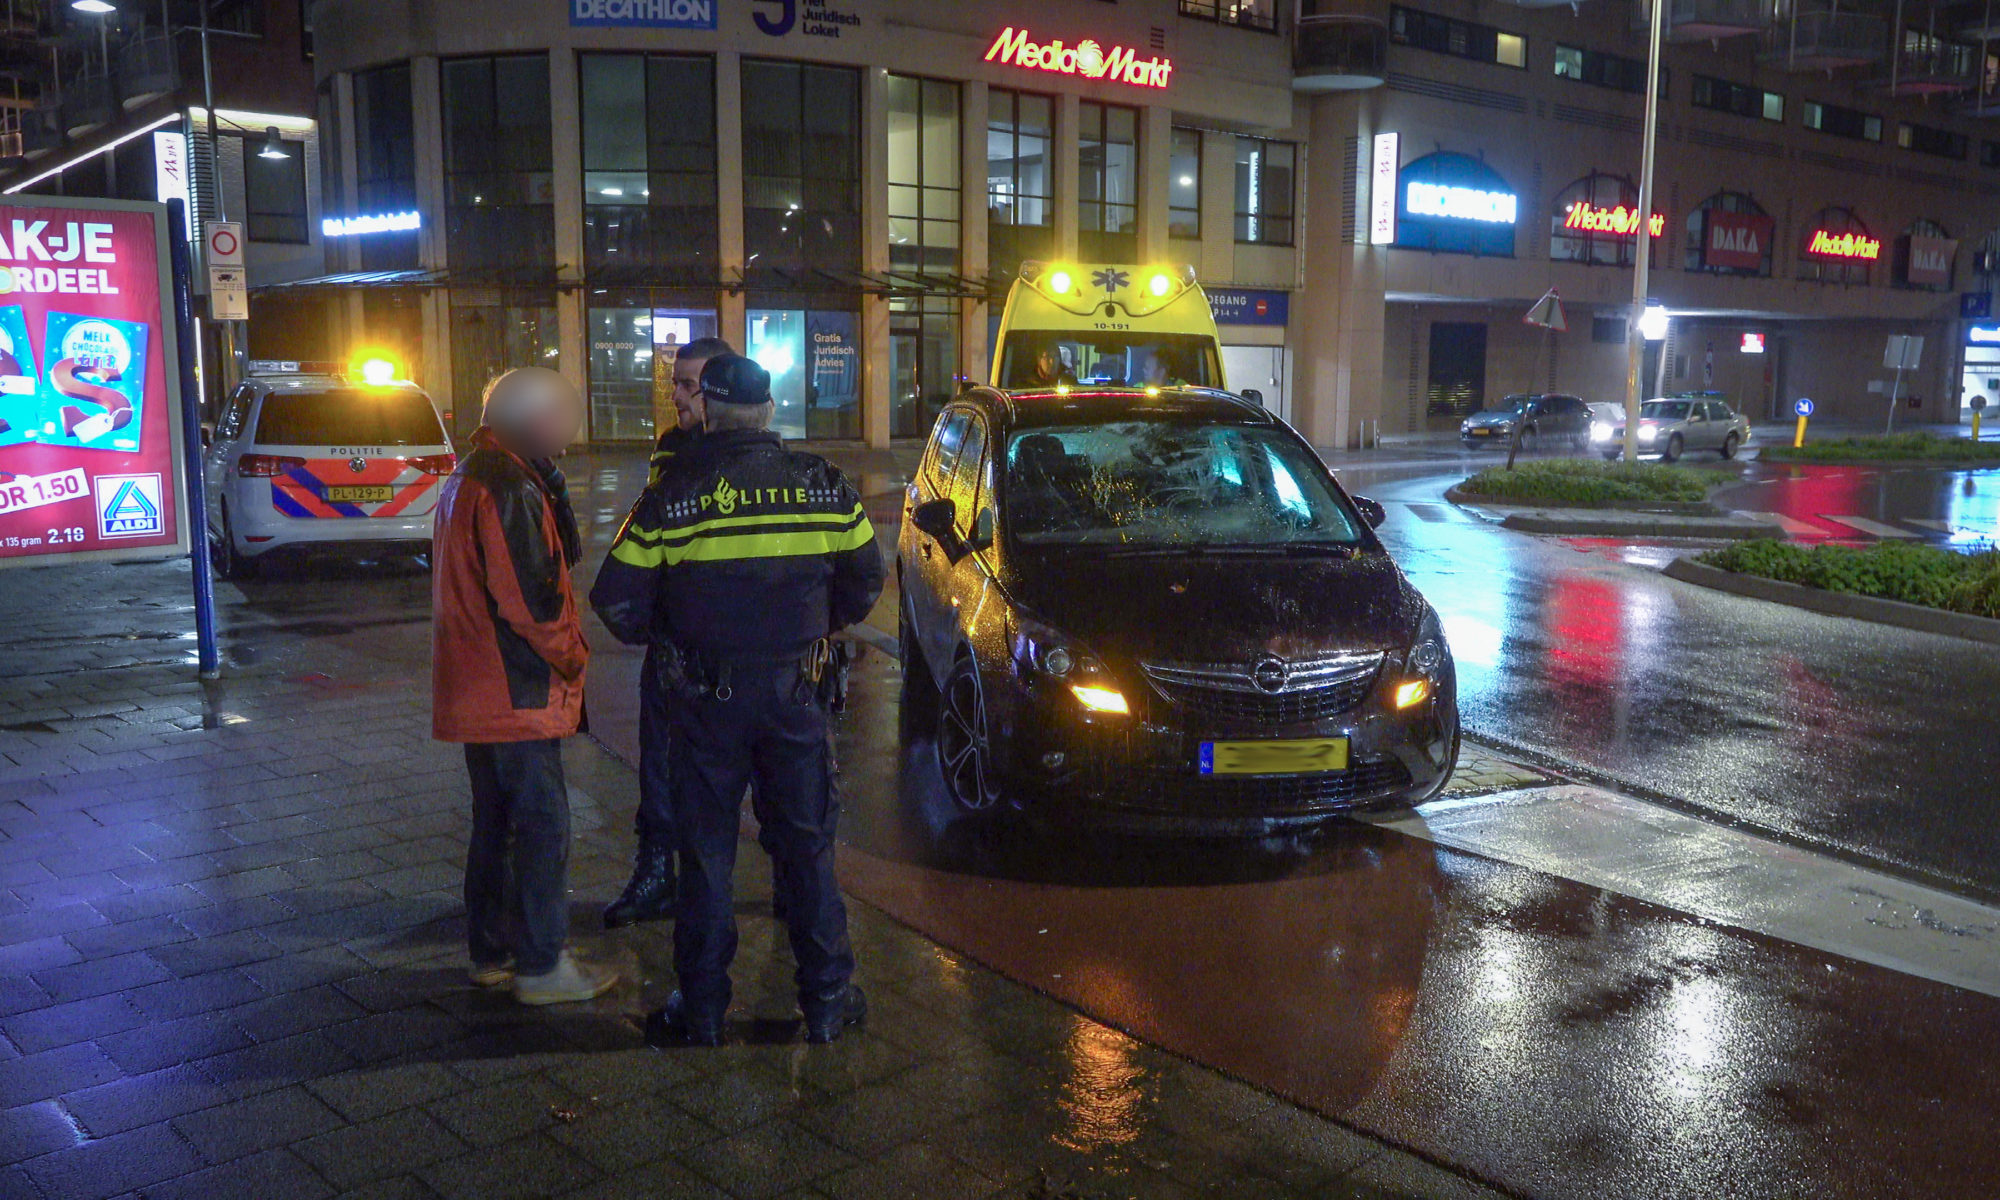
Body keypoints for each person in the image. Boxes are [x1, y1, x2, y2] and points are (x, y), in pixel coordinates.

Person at [591, 353, 883, 1045]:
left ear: (711, 412)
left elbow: (617, 599)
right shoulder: (822, 482)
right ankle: (829, 1001)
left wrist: (671, 633)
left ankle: (700, 1012)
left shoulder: (676, 492)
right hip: (796, 693)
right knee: (809, 847)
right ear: (769, 411)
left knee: (707, 853)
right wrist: (814, 624)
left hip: (705, 698)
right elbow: (866, 578)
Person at [432, 367, 617, 1006]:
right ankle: (541, 966)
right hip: (515, 689)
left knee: (498, 823)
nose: (572, 432)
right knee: (541, 825)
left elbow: (557, 556)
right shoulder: (506, 485)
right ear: (535, 419)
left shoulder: (481, 473)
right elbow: (532, 601)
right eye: (563, 418)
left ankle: (494, 950)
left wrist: (553, 481)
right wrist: (574, 659)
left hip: (479, 684)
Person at [604, 336, 735, 930]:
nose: (676, 396)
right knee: (658, 766)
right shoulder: (669, 449)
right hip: (675, 646)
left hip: (737, 650)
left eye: (689, 385)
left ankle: (789, 880)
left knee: (763, 771)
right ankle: (657, 874)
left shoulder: (756, 455)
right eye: (674, 384)